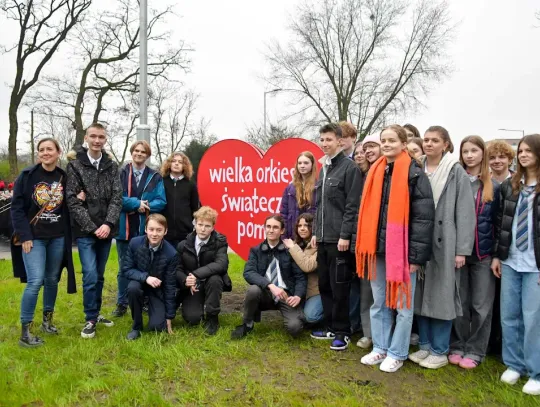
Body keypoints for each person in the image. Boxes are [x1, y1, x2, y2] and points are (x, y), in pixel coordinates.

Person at [356, 125, 434, 372]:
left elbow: (423, 219)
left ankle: (397, 352)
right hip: (377, 250)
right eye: (383, 140)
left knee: (402, 306)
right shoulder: (376, 172)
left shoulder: (414, 173)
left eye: (391, 140)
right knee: (379, 302)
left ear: (403, 143)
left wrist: (415, 256)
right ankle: (379, 348)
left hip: (401, 253)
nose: (387, 144)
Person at [409, 125, 476, 369]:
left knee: (442, 296)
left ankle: (439, 349)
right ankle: (425, 345)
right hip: (420, 240)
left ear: (446, 144)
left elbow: (466, 213)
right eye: (426, 140)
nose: (428, 144)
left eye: (435, 140)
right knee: (421, 295)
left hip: (445, 243)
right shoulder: (417, 168)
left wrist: (461, 250)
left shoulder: (455, 171)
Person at [11, 138, 76, 347]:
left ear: (58, 152)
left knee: (51, 280)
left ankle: (47, 321)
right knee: (35, 281)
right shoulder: (28, 176)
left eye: (49, 149)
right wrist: (25, 236)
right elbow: (17, 208)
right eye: (41, 150)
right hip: (34, 238)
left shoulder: (64, 177)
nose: (45, 153)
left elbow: (70, 202)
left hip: (57, 237)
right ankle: (25, 331)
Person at [491, 134, 540, 396]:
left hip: (535, 264)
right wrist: (498, 255)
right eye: (520, 151)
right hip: (511, 260)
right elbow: (502, 223)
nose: (522, 155)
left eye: (528, 151)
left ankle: (536, 371)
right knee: (509, 314)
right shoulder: (511, 186)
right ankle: (514, 364)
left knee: (533, 318)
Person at [66, 123, 123, 339]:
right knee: (89, 274)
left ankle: (96, 313)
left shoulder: (112, 166)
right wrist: (92, 227)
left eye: (101, 137)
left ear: (105, 139)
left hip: (106, 231)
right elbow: (72, 200)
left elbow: (117, 198)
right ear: (86, 138)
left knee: (99, 276)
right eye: (93, 136)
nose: (97, 140)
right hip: (85, 232)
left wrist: (107, 224)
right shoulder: (75, 166)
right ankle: (90, 318)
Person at [310, 123, 362, 351]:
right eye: (321, 140)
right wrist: (315, 233)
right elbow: (320, 206)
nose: (324, 144)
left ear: (340, 141)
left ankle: (343, 331)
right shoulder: (324, 168)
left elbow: (352, 206)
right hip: (322, 239)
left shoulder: (349, 169)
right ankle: (330, 326)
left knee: (340, 287)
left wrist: (345, 235)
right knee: (325, 285)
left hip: (339, 240)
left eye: (329, 140)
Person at [449, 136, 500, 369]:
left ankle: (476, 349)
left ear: (483, 153)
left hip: (483, 254)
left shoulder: (494, 186)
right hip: (458, 252)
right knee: (460, 302)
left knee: (481, 306)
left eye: (474, 151)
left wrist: (496, 254)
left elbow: (499, 224)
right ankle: (458, 344)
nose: (469, 155)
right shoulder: (456, 180)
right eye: (465, 151)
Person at [113, 141, 166, 317]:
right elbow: (115, 198)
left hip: (145, 229)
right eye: (136, 150)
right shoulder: (120, 173)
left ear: (147, 155)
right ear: (132, 152)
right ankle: (122, 302)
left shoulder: (155, 176)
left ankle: (143, 300)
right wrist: (136, 204)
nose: (139, 154)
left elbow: (161, 201)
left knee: (145, 266)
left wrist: (146, 205)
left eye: (143, 152)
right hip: (124, 228)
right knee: (124, 267)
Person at [231, 214, 306, 339]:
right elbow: (248, 272)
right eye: (268, 227)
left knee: (295, 329)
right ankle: (247, 324)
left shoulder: (290, 251)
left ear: (282, 231)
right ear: (264, 228)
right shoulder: (256, 250)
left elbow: (300, 277)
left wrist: (298, 295)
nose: (271, 230)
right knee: (253, 290)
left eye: (275, 227)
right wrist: (270, 285)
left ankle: (295, 317)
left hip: (285, 295)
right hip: (264, 293)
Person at [176, 206, 231, 335]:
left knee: (215, 279)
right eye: (200, 224)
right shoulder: (184, 244)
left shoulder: (220, 242)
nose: (202, 228)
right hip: (192, 285)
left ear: (213, 227)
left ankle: (212, 317)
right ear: (195, 224)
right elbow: (177, 268)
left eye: (207, 226)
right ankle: (197, 307)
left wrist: (196, 274)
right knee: (193, 319)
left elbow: (221, 264)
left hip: (210, 282)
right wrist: (186, 280)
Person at [123, 214, 177, 340]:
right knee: (132, 288)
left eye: (159, 230)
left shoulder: (172, 254)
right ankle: (136, 326)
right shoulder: (135, 243)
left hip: (157, 290)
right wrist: (146, 277)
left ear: (165, 231)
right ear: (146, 229)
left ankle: (152, 309)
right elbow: (127, 269)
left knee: (158, 327)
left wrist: (169, 317)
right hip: (139, 283)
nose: (154, 234)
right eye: (151, 229)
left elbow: (170, 285)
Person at [350, 134, 381, 348]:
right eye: (365, 148)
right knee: (366, 290)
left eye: (372, 147)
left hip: (383, 240)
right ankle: (368, 333)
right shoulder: (360, 176)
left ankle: (382, 336)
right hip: (363, 241)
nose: (367, 151)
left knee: (381, 293)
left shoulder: (387, 173)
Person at [486, 140, 515, 356]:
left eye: (501, 157)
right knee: (491, 297)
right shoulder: (485, 180)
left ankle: (503, 342)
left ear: (509, 159)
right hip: (489, 244)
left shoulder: (514, 183)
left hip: (508, 246)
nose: (497, 161)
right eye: (493, 157)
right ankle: (492, 340)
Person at [283, 213, 321, 324]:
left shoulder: (319, 245)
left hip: (315, 291)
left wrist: (293, 248)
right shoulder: (296, 244)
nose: (302, 229)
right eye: (299, 226)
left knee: (310, 317)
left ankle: (330, 317)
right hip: (300, 289)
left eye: (306, 225)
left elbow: (308, 266)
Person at [161, 152, 199, 248]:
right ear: (169, 164)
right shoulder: (161, 182)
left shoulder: (190, 185)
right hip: (165, 233)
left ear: (184, 166)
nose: (176, 164)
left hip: (185, 233)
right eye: (174, 161)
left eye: (180, 162)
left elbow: (195, 208)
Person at [280, 151, 317, 239]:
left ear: (312, 165)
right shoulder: (289, 188)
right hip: (292, 235)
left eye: (306, 163)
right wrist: (283, 236)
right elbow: (283, 214)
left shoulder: (318, 187)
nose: (302, 166)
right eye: (299, 163)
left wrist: (315, 234)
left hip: (311, 236)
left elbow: (319, 214)